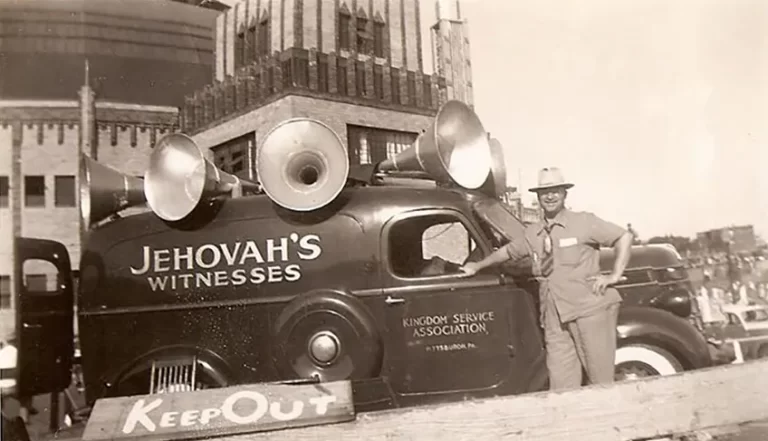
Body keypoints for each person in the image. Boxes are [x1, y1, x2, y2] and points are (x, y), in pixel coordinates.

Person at [461, 167, 633, 390]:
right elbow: (508, 252)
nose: (550, 196)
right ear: (538, 197)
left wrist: (615, 275)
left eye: (555, 191)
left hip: (588, 310)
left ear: (564, 194)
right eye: (545, 192)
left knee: (601, 382)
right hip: (554, 316)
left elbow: (624, 236)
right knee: (562, 384)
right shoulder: (534, 232)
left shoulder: (583, 222)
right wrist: (477, 265)